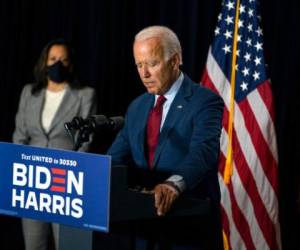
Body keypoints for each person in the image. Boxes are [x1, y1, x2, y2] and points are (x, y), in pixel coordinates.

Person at [107, 26, 224, 250]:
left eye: (152, 63)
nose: (144, 74)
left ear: (175, 60)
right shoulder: (138, 106)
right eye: (139, 65)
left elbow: (203, 152)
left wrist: (172, 185)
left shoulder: (205, 102)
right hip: (144, 229)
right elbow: (116, 157)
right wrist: (92, 177)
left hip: (188, 228)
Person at [12, 38, 97, 250]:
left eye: (64, 60)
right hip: (32, 183)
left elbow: (85, 142)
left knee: (70, 245)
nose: (58, 64)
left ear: (71, 64)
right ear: (44, 62)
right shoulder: (29, 92)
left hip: (67, 183)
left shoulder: (85, 95)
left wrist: (68, 172)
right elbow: (19, 137)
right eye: (53, 59)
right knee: (33, 245)